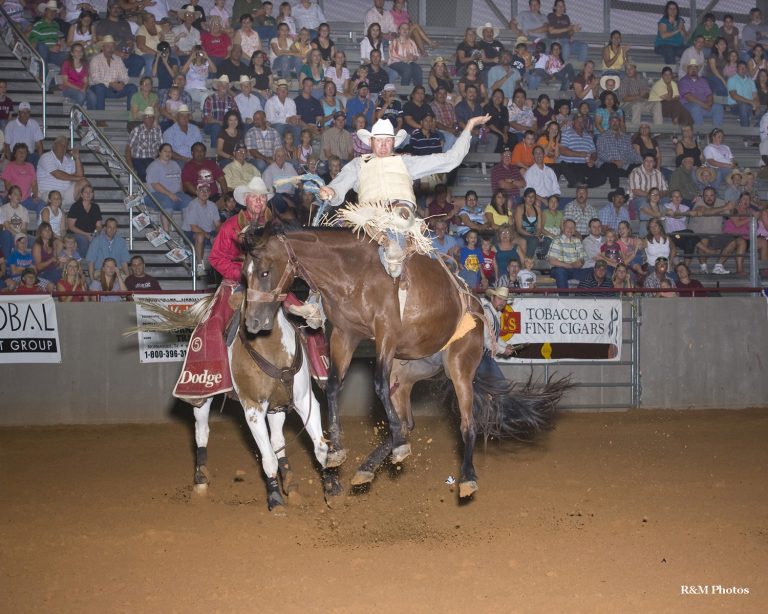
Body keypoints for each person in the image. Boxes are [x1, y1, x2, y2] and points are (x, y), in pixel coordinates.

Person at [88, 35, 138, 111]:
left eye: (112, 46)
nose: (110, 49)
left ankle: (131, 119)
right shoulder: (95, 60)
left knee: (132, 87)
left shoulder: (118, 59)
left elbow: (125, 76)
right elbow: (95, 79)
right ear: (102, 48)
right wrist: (110, 84)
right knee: (100, 87)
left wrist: (122, 83)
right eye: (108, 46)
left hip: (116, 88)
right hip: (102, 89)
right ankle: (100, 119)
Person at [183, 182, 221, 274]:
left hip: (208, 232)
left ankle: (219, 268)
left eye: (207, 190)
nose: (204, 193)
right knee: (200, 236)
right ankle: (199, 266)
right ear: (197, 192)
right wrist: (209, 237)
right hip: (190, 233)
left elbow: (218, 225)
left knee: (222, 237)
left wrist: (219, 236)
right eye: (201, 190)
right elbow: (193, 228)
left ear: (210, 193)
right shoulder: (192, 205)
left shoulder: (212, 205)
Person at [596, 114, 642, 190]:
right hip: (608, 165)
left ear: (620, 123)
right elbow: (600, 153)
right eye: (612, 121)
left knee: (639, 167)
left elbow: (631, 153)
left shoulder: (626, 138)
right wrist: (614, 161)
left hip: (623, 166)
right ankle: (616, 191)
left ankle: (638, 190)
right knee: (611, 166)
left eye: (617, 121)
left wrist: (642, 161)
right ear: (609, 123)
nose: (615, 123)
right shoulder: (602, 136)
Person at [478, 286, 515, 378]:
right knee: (500, 386)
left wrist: (505, 345)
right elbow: (486, 341)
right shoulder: (486, 313)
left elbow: (494, 337)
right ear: (492, 298)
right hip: (479, 357)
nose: (502, 302)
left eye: (504, 300)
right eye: (499, 299)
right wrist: (503, 350)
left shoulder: (495, 313)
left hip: (483, 357)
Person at [678, 58, 724, 127]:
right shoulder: (683, 81)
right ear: (687, 69)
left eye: (695, 67)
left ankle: (716, 132)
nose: (693, 69)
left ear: (698, 69)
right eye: (691, 67)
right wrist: (704, 105)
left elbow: (709, 95)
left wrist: (709, 104)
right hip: (688, 106)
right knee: (695, 108)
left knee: (718, 107)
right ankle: (699, 133)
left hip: (704, 106)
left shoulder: (703, 81)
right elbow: (689, 97)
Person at [2, 144, 44, 214]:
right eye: (19, 152)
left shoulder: (30, 166)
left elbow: (34, 184)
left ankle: (41, 224)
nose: (22, 154)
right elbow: (7, 186)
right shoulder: (10, 166)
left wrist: (35, 195)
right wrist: (16, 198)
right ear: (15, 154)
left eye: (24, 152)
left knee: (42, 205)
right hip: (12, 198)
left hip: (26, 199)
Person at [548, 218, 588, 289]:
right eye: (568, 227)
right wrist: (570, 265)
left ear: (575, 229)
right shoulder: (557, 240)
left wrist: (580, 262)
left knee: (592, 272)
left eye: (572, 227)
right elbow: (552, 261)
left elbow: (583, 258)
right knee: (560, 272)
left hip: (575, 269)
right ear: (563, 228)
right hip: (559, 269)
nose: (570, 229)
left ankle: (583, 297)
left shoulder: (577, 241)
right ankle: (564, 298)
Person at [728, 61, 760, 128]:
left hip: (750, 106)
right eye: (741, 67)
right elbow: (734, 96)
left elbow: (755, 96)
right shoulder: (732, 79)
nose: (743, 69)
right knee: (743, 106)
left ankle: (757, 127)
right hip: (736, 106)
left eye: (745, 68)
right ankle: (747, 133)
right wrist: (751, 101)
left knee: (764, 109)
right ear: (736, 69)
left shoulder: (751, 81)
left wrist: (757, 104)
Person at [0, 186, 30, 259]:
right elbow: (7, 227)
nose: (18, 196)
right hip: (8, 235)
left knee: (37, 241)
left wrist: (22, 237)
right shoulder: (3, 209)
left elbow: (24, 228)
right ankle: (7, 262)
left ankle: (30, 266)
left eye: (20, 194)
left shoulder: (24, 210)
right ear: (9, 196)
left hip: (20, 235)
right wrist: (18, 237)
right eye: (15, 194)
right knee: (6, 235)